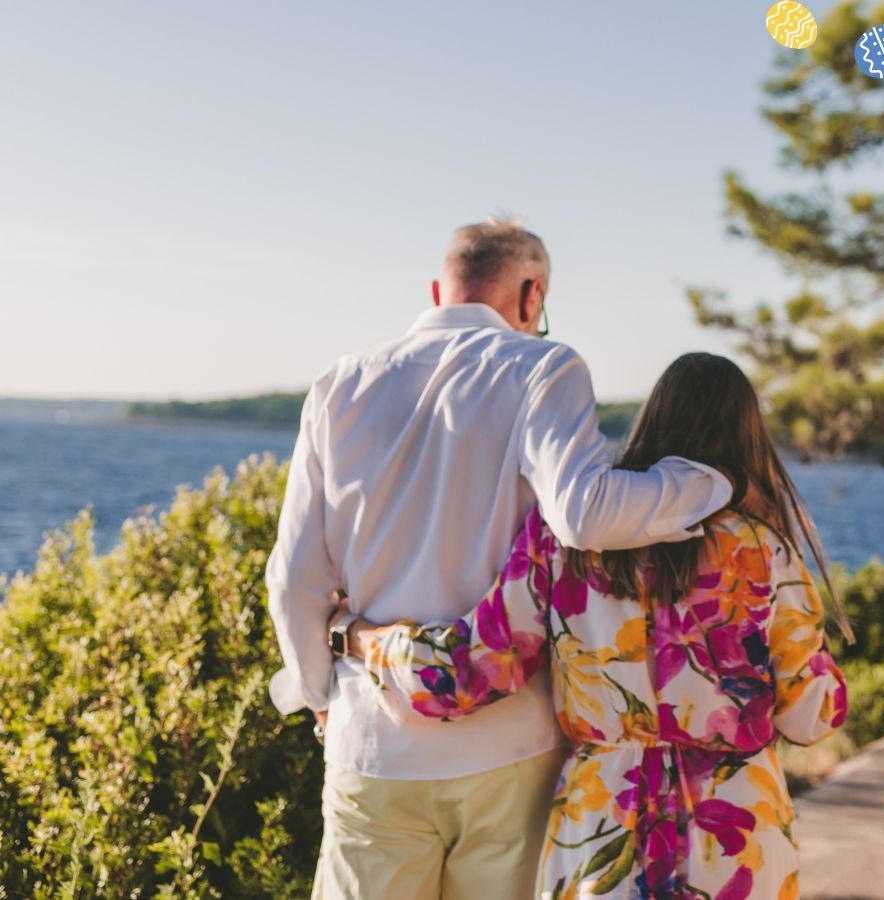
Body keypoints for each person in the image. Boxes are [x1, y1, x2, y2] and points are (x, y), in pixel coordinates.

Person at [265, 220, 733, 900]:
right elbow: (586, 513)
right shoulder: (543, 365)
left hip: (374, 743)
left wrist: (320, 699)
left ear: (438, 289)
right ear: (530, 293)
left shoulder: (339, 384)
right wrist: (712, 482)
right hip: (508, 745)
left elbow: (294, 578)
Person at [341, 352, 851, 899]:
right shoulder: (763, 547)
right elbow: (811, 715)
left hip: (602, 819)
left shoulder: (564, 541)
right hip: (738, 832)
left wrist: (362, 640)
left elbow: (470, 672)